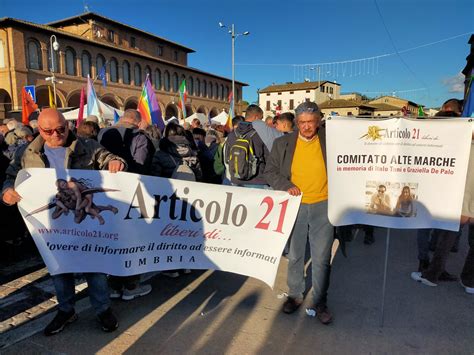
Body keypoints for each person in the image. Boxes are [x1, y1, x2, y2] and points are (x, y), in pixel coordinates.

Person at [2, 108, 126, 336]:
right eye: (48, 131)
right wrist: (7, 191)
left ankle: (102, 309)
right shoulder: (26, 152)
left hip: (85, 221)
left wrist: (116, 162)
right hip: (52, 226)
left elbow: (107, 157)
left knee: (95, 268)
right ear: (39, 129)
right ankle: (66, 310)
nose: (56, 135)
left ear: (67, 126)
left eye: (61, 129)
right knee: (60, 270)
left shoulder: (87, 145)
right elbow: (10, 176)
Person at [264, 101, 334, 325]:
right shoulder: (282, 143)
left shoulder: (331, 141)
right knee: (295, 255)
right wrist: (285, 185)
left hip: (324, 205)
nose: (306, 127)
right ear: (296, 122)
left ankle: (320, 301)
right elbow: (271, 172)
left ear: (319, 121)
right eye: (302, 122)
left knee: (322, 258)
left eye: (311, 122)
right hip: (295, 205)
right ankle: (295, 295)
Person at [98, 109, 154, 300]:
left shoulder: (102, 133)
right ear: (138, 122)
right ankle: (131, 286)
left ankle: (113, 286)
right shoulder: (140, 137)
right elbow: (141, 165)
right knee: (131, 240)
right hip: (130, 196)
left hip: (106, 195)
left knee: (112, 239)